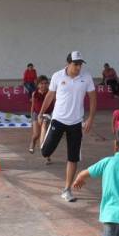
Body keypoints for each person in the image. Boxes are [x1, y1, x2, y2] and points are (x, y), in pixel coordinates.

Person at [39, 51, 97, 202]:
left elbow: (93, 98)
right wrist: (41, 112)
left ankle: (67, 189)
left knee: (73, 157)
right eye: (75, 64)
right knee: (45, 152)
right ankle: (45, 125)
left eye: (80, 64)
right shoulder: (57, 76)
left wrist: (90, 118)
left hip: (76, 123)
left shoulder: (86, 77)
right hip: (58, 120)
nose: (78, 67)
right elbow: (50, 95)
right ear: (68, 63)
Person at [29, 75, 53, 158]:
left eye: (46, 83)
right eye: (41, 83)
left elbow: (55, 104)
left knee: (45, 134)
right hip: (36, 115)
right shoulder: (34, 93)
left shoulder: (50, 93)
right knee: (36, 134)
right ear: (38, 84)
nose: (44, 85)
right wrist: (31, 117)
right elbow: (32, 106)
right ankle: (33, 141)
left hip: (47, 115)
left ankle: (46, 154)